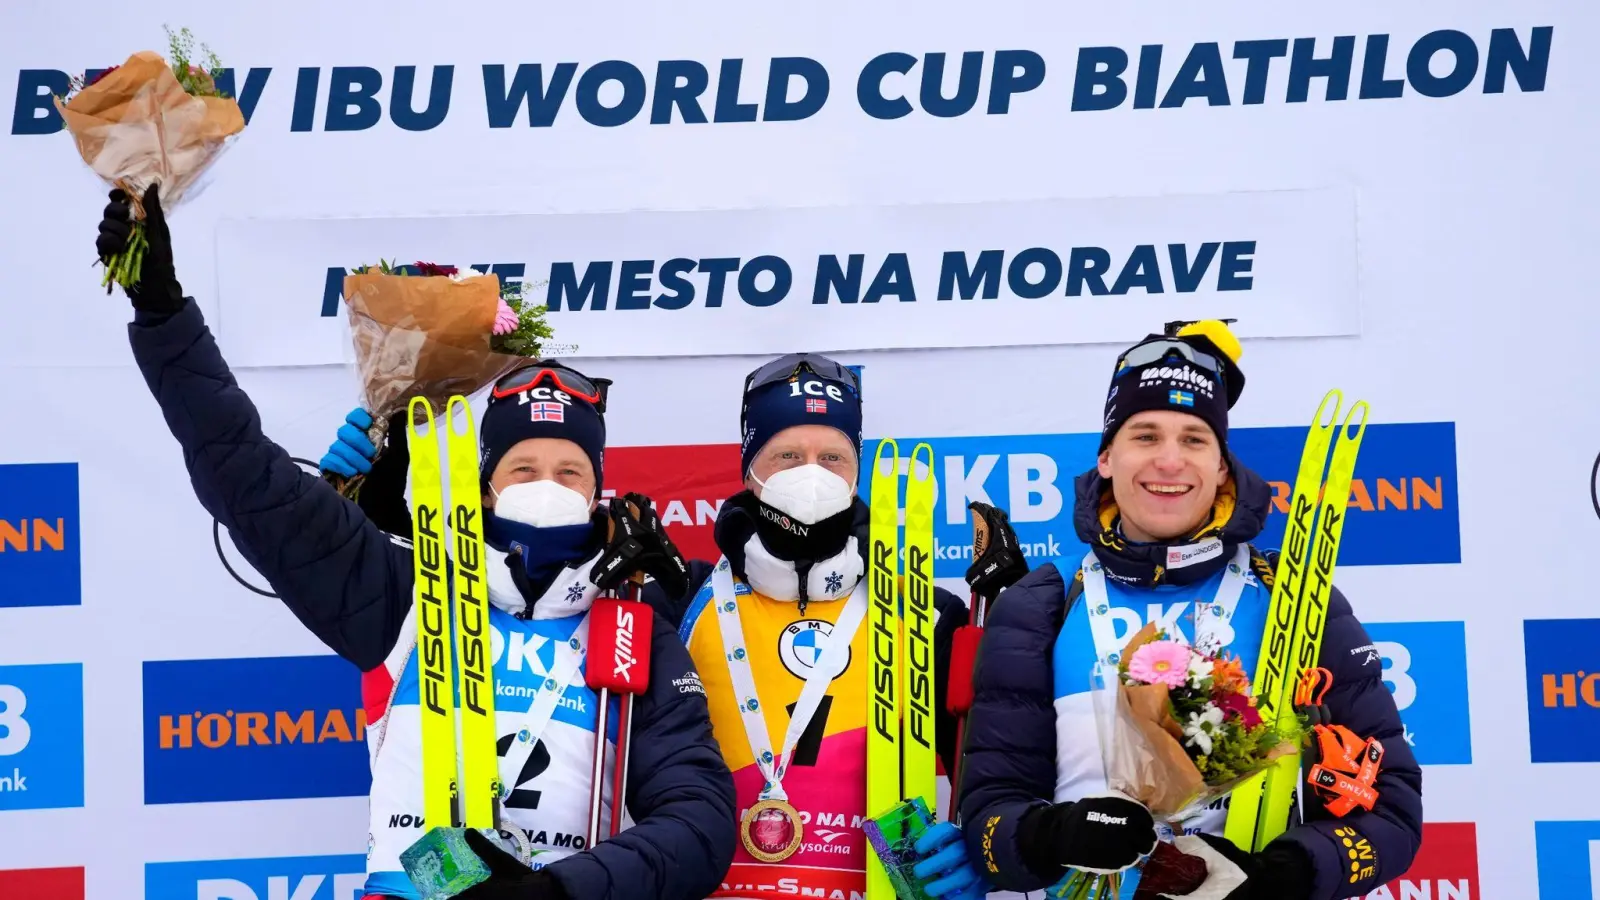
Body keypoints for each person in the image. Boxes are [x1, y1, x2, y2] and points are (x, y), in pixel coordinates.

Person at [96, 185, 737, 900]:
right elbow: (243, 473)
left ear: (598, 490)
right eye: (523, 467)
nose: (545, 484)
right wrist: (162, 314)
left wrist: (557, 893)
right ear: (487, 484)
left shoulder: (632, 627)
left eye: (569, 470)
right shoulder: (410, 587)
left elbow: (700, 822)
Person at [332, 354, 1000, 900]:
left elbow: (998, 783)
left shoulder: (922, 615)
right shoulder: (685, 600)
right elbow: (506, 583)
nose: (812, 476)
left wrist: (977, 853)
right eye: (787, 457)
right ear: (749, 471)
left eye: (833, 459)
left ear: (858, 473)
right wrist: (370, 501)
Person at [954, 322, 1423, 899]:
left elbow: (1393, 810)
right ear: (1106, 459)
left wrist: (1290, 873)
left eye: (1195, 439)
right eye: (1145, 436)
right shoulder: (1042, 606)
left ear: (1222, 466)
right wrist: (1055, 834)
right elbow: (988, 820)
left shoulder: (1294, 595)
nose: (1170, 461)